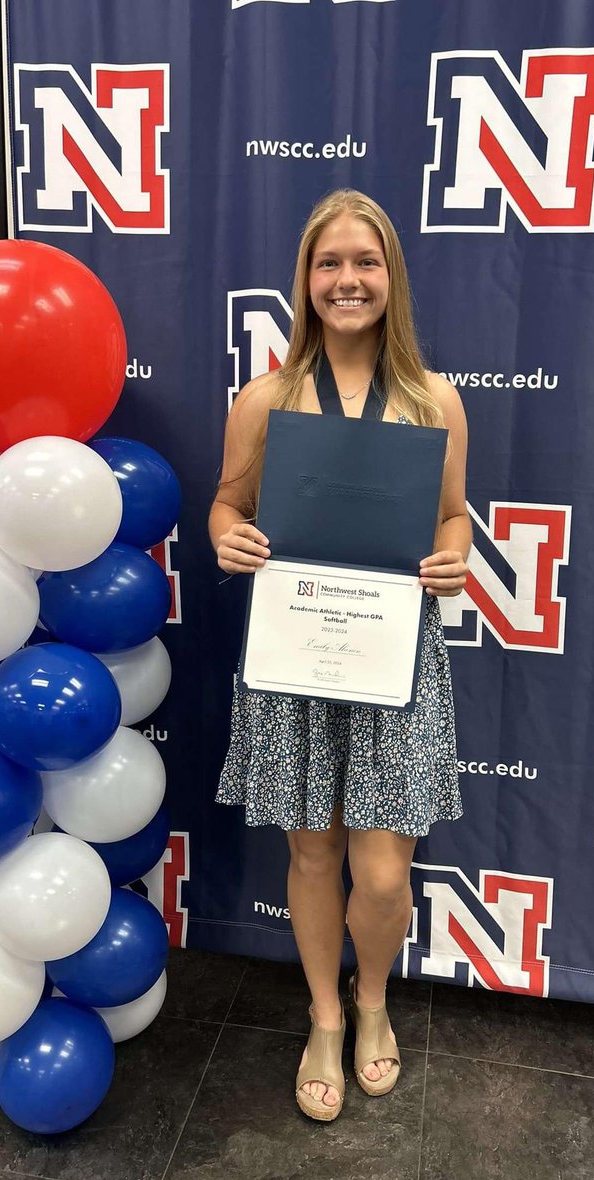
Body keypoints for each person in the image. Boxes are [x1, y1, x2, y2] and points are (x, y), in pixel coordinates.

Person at [208, 189, 470, 1122]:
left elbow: (450, 513)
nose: (347, 279)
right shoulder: (267, 397)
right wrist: (227, 534)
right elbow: (228, 503)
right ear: (306, 281)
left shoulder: (433, 399)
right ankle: (325, 1017)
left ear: (390, 278)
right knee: (313, 854)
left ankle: (373, 1002)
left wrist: (457, 554)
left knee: (385, 871)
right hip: (296, 653)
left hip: (395, 661)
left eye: (365, 262)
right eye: (330, 264)